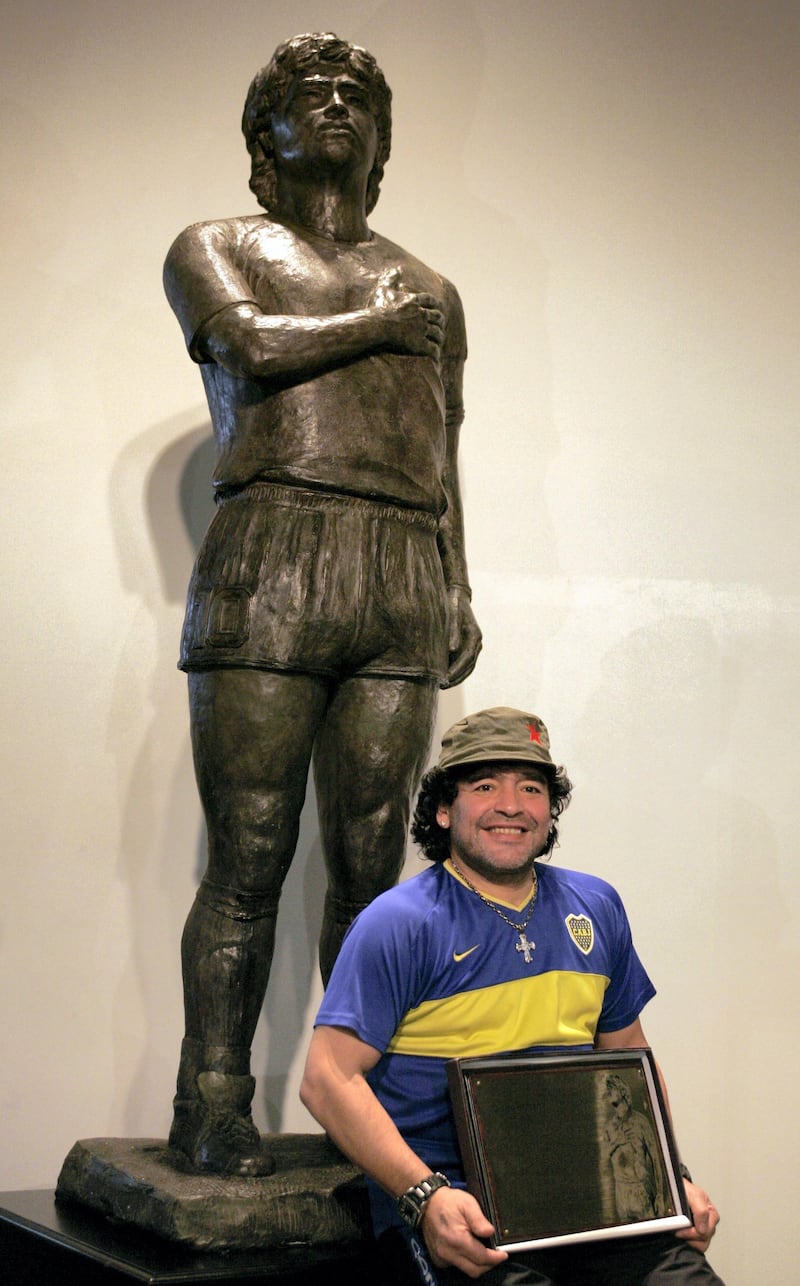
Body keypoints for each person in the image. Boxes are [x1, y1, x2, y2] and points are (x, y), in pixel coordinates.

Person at [163, 31, 481, 1177]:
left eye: (357, 95)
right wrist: (378, 323)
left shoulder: (433, 286)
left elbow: (438, 447)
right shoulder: (217, 245)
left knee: (368, 869)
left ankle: (371, 1119)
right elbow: (242, 347)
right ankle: (210, 1100)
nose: (335, 105)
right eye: (308, 93)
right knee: (250, 850)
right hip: (274, 545)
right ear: (266, 133)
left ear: (382, 136)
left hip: (397, 561)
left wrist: (453, 578)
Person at [301, 706, 723, 1284]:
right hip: (463, 1213)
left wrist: (668, 1178)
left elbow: (627, 1054)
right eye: (484, 786)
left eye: (531, 787)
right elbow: (327, 1079)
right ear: (445, 810)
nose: (511, 805)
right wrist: (423, 1196)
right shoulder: (398, 922)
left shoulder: (596, 906)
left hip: (597, 1204)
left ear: (549, 810)